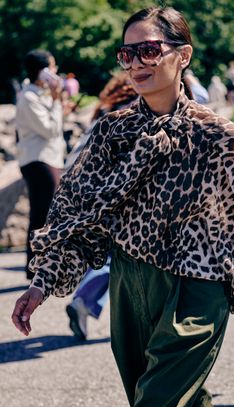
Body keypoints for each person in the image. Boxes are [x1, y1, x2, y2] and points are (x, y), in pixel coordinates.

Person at [12, 7, 234, 407]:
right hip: (129, 285)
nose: (136, 63)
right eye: (127, 53)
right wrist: (42, 283)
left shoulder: (220, 138)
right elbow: (76, 215)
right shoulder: (112, 132)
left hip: (197, 292)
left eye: (149, 50)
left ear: (182, 56)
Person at [66, 72, 138, 340]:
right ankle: (85, 301)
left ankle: (84, 303)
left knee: (104, 253)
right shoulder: (133, 113)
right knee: (115, 256)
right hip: (114, 196)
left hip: (85, 195)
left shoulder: (103, 112)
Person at [15, 50, 65, 279]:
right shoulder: (29, 97)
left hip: (46, 159)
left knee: (44, 214)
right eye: (52, 67)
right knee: (43, 214)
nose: (55, 72)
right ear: (43, 70)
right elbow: (50, 129)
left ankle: (38, 268)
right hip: (39, 160)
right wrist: (56, 100)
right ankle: (36, 268)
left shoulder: (37, 94)